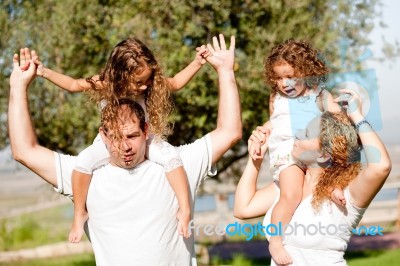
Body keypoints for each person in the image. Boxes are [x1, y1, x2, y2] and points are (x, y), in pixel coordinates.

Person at [9, 34, 242, 265]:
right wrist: (38, 75)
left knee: (172, 159)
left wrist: (208, 66)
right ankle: (79, 213)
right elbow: (71, 86)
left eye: (131, 135)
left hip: (152, 142)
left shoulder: (177, 161)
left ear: (144, 128)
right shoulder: (91, 173)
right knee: (83, 162)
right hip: (109, 147)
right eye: (138, 82)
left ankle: (185, 208)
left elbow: (182, 88)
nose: (143, 86)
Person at [234, 89, 391, 265]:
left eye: (306, 134)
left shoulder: (346, 194)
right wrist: (255, 159)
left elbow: (381, 167)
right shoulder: (290, 187)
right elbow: (242, 209)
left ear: (323, 154)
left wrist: (357, 116)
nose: (297, 136)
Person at [249, 39, 342, 264]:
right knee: (291, 194)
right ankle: (276, 240)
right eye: (278, 78)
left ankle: (331, 187)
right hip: (286, 154)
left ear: (307, 71)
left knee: (329, 169)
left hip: (311, 150)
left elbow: (338, 119)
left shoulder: (320, 95)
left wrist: (342, 110)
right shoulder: (277, 98)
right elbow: (275, 122)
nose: (284, 83)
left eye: (290, 76)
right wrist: (262, 131)